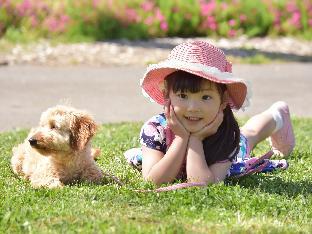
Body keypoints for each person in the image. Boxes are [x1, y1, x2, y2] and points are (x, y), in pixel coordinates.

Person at [124, 41, 295, 186]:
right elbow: (153, 181)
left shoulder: (227, 134)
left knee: (249, 135)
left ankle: (277, 115)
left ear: (223, 100)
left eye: (205, 97)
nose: (193, 107)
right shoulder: (155, 129)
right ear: (167, 94)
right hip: (181, 136)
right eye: (183, 96)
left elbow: (200, 182)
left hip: (221, 135)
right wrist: (182, 138)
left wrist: (196, 140)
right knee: (248, 133)